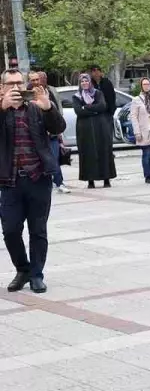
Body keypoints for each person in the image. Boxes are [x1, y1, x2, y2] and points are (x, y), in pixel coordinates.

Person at [1, 68, 64, 294]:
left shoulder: (37, 107)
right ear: (2, 88)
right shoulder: (2, 109)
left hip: (39, 177)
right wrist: (2, 107)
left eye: (20, 83)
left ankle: (37, 274)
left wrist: (48, 108)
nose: (16, 87)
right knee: (10, 230)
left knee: (38, 230)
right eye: (11, 84)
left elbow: (58, 129)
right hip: (10, 181)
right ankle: (23, 268)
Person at [73, 74, 115, 189]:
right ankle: (90, 181)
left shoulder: (98, 93)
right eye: (82, 82)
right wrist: (94, 110)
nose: (85, 83)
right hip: (84, 129)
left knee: (103, 150)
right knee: (88, 153)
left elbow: (102, 106)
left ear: (90, 82)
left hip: (100, 127)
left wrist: (86, 107)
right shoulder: (77, 96)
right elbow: (78, 111)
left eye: (86, 81)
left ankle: (106, 179)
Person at [30, 73, 68, 195]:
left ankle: (59, 182)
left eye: (40, 79)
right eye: (34, 79)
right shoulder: (27, 94)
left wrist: (49, 110)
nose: (38, 81)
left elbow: (58, 111)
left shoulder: (51, 90)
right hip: (38, 135)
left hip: (52, 132)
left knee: (54, 158)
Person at [130, 77, 150, 184]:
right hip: (143, 131)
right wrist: (137, 131)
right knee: (146, 154)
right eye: (144, 84)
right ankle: (147, 175)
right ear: (141, 86)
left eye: (148, 84)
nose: (146, 86)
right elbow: (134, 117)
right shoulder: (136, 100)